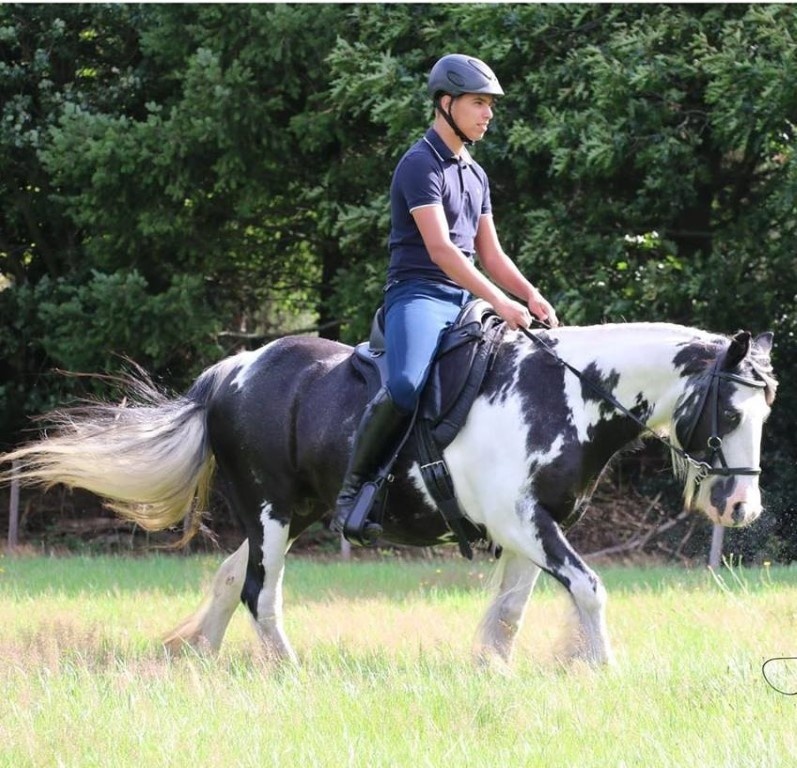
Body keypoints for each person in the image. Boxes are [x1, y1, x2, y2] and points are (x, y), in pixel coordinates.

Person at [331, 53, 559, 544]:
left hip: (465, 298)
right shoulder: (419, 164)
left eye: (490, 105)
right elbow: (441, 251)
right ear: (446, 103)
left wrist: (530, 295)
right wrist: (501, 302)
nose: (488, 114)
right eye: (479, 103)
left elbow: (489, 253)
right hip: (418, 294)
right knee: (407, 386)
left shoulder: (474, 174)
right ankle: (353, 492)